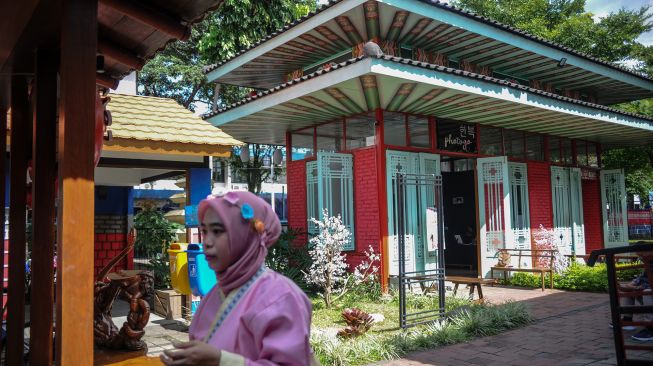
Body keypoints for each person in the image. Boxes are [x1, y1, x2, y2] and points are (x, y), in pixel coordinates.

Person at [160, 191, 317, 365]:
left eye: (218, 231)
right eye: (204, 231)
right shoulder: (215, 293)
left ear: (247, 235)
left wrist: (221, 360)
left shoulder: (280, 297)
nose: (207, 241)